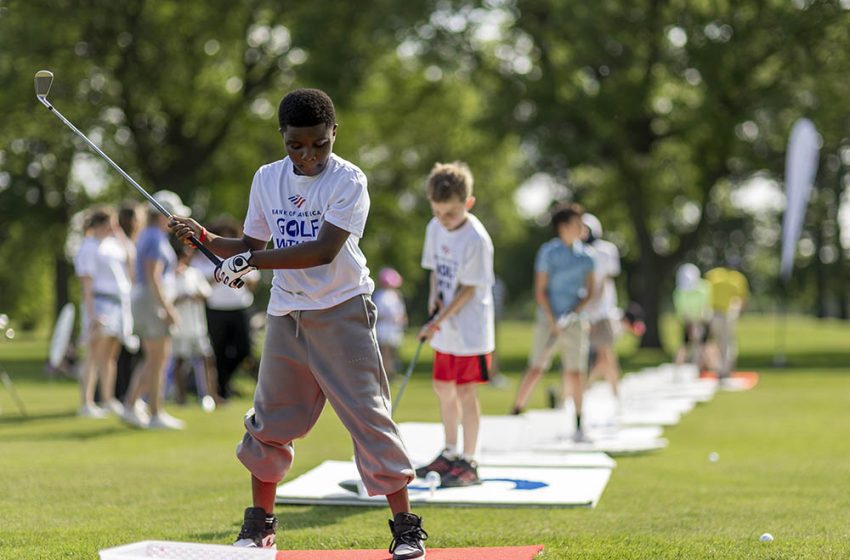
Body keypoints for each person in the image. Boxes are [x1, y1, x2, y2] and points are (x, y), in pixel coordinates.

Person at [168, 88, 426, 558]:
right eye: (296, 145)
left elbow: (323, 251)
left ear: (334, 134)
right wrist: (203, 237)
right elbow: (252, 243)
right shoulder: (267, 178)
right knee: (268, 421)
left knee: (369, 417)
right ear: (282, 137)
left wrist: (251, 262)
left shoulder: (349, 180)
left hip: (343, 308)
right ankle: (260, 525)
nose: (308, 155)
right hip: (286, 313)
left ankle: (406, 529)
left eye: (319, 144)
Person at [414, 162, 495, 488]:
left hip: (471, 330)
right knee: (442, 387)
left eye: (450, 213)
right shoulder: (435, 228)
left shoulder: (476, 239)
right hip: (445, 327)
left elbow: (468, 290)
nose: (443, 219)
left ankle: (469, 460)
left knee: (465, 392)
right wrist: (434, 299)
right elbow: (436, 270)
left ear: (468, 203)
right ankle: (449, 452)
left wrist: (438, 320)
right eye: (437, 211)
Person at [510, 203, 595, 442]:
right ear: (563, 226)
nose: (581, 227)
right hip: (547, 319)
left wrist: (572, 314)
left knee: (575, 372)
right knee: (536, 368)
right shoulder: (548, 253)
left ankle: (579, 423)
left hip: (574, 322)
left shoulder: (587, 257)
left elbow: (589, 292)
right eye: (576, 223)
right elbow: (540, 291)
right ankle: (515, 412)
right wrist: (553, 320)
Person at [121, 191, 187, 430]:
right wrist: (168, 309)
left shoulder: (150, 235)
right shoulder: (155, 238)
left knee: (155, 358)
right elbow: (153, 278)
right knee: (157, 359)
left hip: (148, 300)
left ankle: (133, 405)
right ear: (162, 215)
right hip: (152, 301)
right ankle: (154, 413)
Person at [73, 207, 133, 418]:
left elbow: (131, 257)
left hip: (118, 304)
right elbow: (86, 284)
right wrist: (92, 316)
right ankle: (87, 402)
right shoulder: (89, 247)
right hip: (99, 303)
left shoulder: (114, 245)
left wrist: (121, 235)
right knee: (93, 354)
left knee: (110, 356)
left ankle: (108, 399)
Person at [190, 216, 258, 401]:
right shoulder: (203, 256)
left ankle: (224, 380)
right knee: (218, 350)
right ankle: (222, 391)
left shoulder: (241, 254)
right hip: (216, 308)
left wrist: (241, 276)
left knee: (244, 349)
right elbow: (198, 281)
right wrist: (219, 275)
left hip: (240, 307)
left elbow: (253, 281)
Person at [168, 241, 218, 406]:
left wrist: (194, 295)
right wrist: (181, 297)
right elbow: (167, 299)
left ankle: (210, 396)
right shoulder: (169, 275)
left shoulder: (194, 273)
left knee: (206, 359)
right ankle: (180, 398)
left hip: (198, 327)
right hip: (179, 328)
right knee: (179, 362)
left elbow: (206, 293)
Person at [581, 213, 623, 404]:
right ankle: (605, 390)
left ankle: (610, 391)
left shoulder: (606, 250)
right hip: (584, 309)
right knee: (597, 355)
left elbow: (606, 279)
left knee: (604, 353)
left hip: (603, 310)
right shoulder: (579, 251)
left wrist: (594, 301)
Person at [114, 200, 145, 402]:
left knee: (131, 351)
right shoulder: (122, 243)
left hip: (132, 301)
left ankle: (126, 394)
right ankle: (121, 394)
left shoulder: (134, 241)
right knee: (123, 352)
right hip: (127, 301)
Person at [705, 261, 750, 379]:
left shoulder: (713, 274)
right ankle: (725, 369)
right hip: (728, 313)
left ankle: (720, 369)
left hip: (715, 313)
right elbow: (742, 299)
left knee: (719, 342)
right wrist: (742, 313)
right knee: (728, 342)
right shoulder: (738, 278)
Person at [673, 263, 712, 372]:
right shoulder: (678, 292)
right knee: (685, 344)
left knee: (703, 345)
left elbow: (706, 307)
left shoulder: (705, 288)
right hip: (688, 321)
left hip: (703, 320)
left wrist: (699, 324)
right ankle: (677, 369)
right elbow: (682, 311)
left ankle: (703, 368)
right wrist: (689, 325)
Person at [374, 267, 407, 380]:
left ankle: (392, 372)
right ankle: (385, 374)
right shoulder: (379, 295)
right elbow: (378, 312)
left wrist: (401, 320)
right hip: (384, 327)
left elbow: (401, 311)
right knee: (385, 352)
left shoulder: (396, 294)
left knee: (393, 352)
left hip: (394, 328)